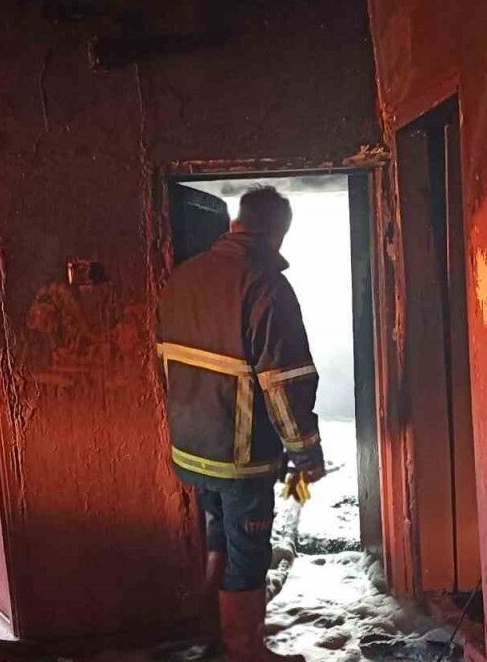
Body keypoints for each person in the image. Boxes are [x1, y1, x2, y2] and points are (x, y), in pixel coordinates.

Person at [157, 185, 326, 662]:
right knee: (249, 553)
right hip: (240, 455)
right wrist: (305, 454)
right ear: (277, 233)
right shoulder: (266, 286)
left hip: (191, 448)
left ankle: (211, 636)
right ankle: (246, 651)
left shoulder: (184, 277)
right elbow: (284, 383)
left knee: (218, 538)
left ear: (236, 223)